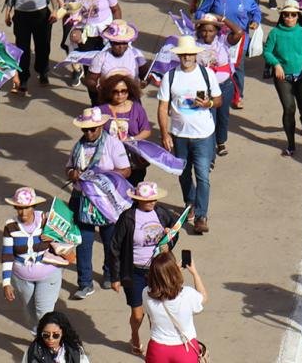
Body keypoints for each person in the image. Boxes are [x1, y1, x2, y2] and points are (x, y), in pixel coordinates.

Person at [106, 181, 181, 356]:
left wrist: (169, 244)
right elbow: (115, 246)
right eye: (147, 200)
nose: (151, 202)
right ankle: (134, 335)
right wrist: (115, 277)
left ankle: (155, 345)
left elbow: (175, 230)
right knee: (138, 315)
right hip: (135, 272)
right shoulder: (128, 217)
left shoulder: (162, 213)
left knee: (156, 314)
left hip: (158, 271)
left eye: (154, 199)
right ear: (138, 200)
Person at [157, 36, 222, 235]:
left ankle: (201, 216)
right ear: (179, 55)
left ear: (195, 55)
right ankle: (190, 201)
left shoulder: (206, 74)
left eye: (190, 54)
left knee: (202, 174)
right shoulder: (170, 77)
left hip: (203, 134)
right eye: (183, 54)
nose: (187, 57)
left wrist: (208, 104)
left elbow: (218, 100)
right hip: (179, 135)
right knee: (183, 173)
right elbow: (163, 107)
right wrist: (164, 133)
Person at [66, 106, 132, 300]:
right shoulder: (78, 147)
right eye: (85, 129)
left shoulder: (113, 144)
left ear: (101, 127)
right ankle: (84, 283)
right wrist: (74, 174)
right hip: (81, 198)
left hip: (105, 199)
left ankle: (110, 273)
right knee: (83, 241)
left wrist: (101, 176)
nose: (88, 132)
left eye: (92, 129)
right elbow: (69, 168)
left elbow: (126, 170)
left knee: (110, 239)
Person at [194, 0, 261, 107]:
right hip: (218, 38)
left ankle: (237, 97)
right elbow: (200, 11)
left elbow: (255, 10)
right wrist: (208, 19)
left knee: (237, 66)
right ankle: (213, 93)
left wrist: (255, 20)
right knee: (216, 64)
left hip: (239, 38)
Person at [262, 0, 302, 157]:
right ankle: (291, 145)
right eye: (286, 15)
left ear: (297, 17)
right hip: (283, 78)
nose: (289, 18)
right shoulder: (274, 34)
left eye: (293, 15)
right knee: (288, 109)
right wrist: (276, 64)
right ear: (282, 16)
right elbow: (267, 52)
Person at [0, 187, 62, 328]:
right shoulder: (10, 226)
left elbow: (68, 239)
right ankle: (38, 338)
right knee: (31, 313)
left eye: (27, 208)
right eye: (19, 208)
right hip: (22, 277)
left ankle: (47, 342)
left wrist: (53, 238)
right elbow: (7, 255)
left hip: (48, 273)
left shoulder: (46, 220)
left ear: (33, 206)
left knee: (44, 313)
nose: (23, 212)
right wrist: (6, 283)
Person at [188, 14, 242, 157]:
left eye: (211, 30)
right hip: (202, 89)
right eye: (204, 30)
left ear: (217, 31)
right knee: (205, 117)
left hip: (225, 85)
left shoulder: (224, 41)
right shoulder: (193, 45)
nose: (207, 33)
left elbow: (239, 32)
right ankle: (209, 153)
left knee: (223, 116)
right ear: (199, 31)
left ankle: (221, 142)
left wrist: (222, 18)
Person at [141, 249, 207, 362]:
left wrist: (169, 272)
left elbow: (162, 286)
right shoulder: (187, 294)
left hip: (158, 350)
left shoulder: (146, 293)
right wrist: (194, 273)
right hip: (184, 349)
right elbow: (203, 297)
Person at [96, 73, 152, 183]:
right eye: (115, 91)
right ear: (108, 92)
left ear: (129, 91)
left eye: (124, 91)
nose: (120, 94)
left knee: (134, 192)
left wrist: (131, 139)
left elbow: (146, 130)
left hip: (133, 160)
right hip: (110, 160)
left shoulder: (137, 108)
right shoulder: (100, 110)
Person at [22, 312, 91, 363]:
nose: (50, 339)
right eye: (46, 335)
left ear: (63, 333)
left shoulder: (74, 350)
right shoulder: (33, 351)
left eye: (56, 335)